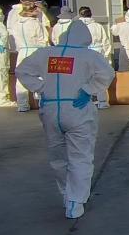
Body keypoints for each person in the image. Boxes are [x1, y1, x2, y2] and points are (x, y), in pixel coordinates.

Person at [15, 20, 115, 219]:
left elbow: (22, 70)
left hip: (51, 108)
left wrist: (41, 88)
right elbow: (107, 73)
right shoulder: (88, 55)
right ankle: (75, 201)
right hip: (78, 108)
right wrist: (88, 90)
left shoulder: (45, 54)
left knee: (58, 156)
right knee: (80, 156)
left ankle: (66, 194)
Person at [14, 3, 49, 112]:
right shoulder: (35, 23)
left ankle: (22, 105)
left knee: (21, 78)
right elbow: (43, 39)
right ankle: (42, 103)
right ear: (32, 11)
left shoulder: (16, 24)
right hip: (35, 50)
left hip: (22, 51)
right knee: (40, 77)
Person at [78, 7, 113, 109]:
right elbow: (106, 42)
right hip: (97, 52)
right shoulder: (98, 26)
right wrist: (106, 55)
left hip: (83, 53)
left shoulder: (77, 27)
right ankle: (102, 102)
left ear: (80, 15)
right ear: (91, 14)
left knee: (84, 78)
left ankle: (87, 101)